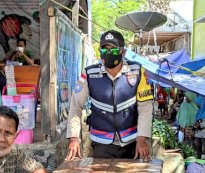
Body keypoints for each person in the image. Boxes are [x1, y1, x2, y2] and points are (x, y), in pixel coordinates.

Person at [65, 30, 154, 160]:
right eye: (105, 50)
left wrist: (142, 139)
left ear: (122, 52)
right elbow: (75, 107)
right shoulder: (90, 74)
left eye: (113, 50)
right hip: (101, 142)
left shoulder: (137, 71)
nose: (109, 53)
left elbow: (145, 108)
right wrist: (74, 138)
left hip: (132, 143)